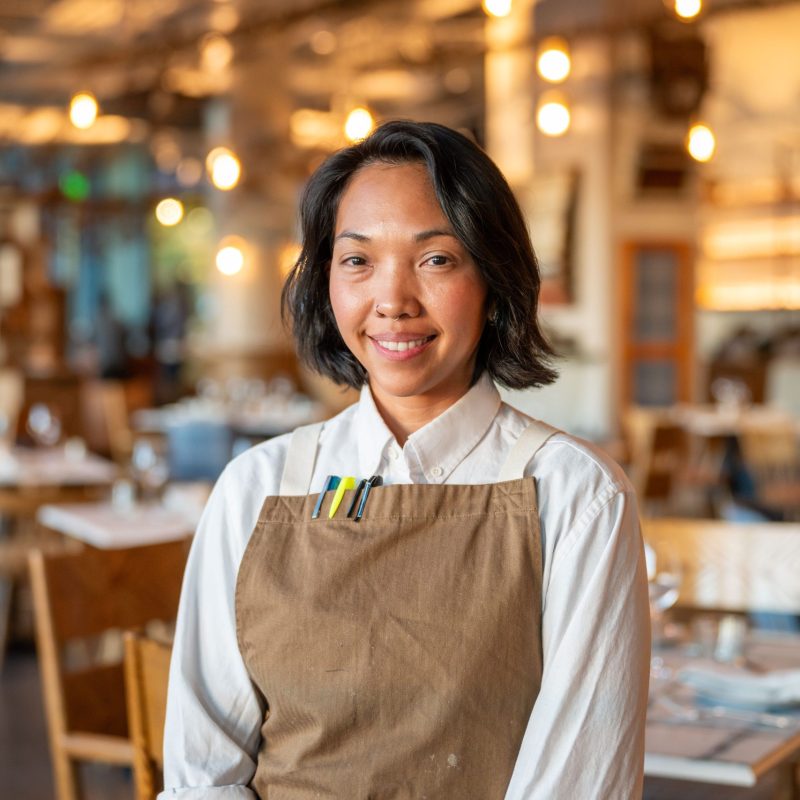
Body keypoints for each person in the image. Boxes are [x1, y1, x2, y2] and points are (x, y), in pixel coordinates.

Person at [160, 120, 650, 799]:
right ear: (326, 282)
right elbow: (201, 772)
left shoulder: (575, 496)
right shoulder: (257, 488)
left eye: (436, 259)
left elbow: (580, 781)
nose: (392, 301)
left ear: (493, 276)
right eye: (358, 260)